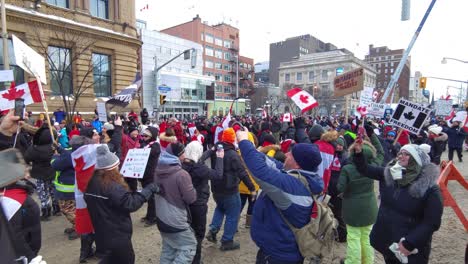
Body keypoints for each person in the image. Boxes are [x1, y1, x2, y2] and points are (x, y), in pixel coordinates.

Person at [236, 128, 324, 264]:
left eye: (291, 154)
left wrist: (243, 142)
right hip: (278, 250)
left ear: (298, 163)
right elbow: (267, 162)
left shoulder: (294, 187)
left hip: (279, 256)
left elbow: (260, 172)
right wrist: (251, 146)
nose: (286, 154)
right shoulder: (301, 176)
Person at [353, 143, 443, 263]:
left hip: (409, 247)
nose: (401, 156)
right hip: (388, 241)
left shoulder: (429, 188)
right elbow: (364, 169)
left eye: (407, 154)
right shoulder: (391, 173)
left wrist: (410, 242)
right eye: (400, 153)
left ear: (417, 160)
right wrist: (359, 153)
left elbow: (432, 222)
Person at [85, 144, 159, 264]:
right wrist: (148, 190)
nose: (119, 168)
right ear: (111, 169)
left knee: (111, 258)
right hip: (117, 233)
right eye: (117, 166)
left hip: (101, 231)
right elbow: (130, 204)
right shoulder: (112, 186)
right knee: (127, 259)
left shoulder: (91, 182)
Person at [206, 128, 256, 251]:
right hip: (230, 189)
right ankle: (227, 240)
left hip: (217, 188)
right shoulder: (233, 154)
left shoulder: (216, 150)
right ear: (232, 139)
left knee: (220, 207)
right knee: (233, 214)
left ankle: (213, 230)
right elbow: (242, 173)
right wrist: (252, 188)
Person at [337, 139, 380, 264]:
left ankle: (352, 262)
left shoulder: (347, 168)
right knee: (367, 237)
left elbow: (340, 188)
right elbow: (381, 152)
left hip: (352, 208)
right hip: (369, 207)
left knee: (354, 237)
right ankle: (368, 261)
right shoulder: (373, 167)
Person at [154, 143, 197, 263]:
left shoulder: (157, 170)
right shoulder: (181, 174)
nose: (185, 156)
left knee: (169, 248)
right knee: (189, 246)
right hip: (175, 220)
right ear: (178, 155)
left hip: (161, 217)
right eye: (183, 153)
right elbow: (190, 198)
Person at [182, 141, 224, 264]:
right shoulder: (199, 169)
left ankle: (187, 256)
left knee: (187, 231)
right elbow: (218, 174)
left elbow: (199, 158)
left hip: (185, 203)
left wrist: (211, 150)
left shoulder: (183, 163)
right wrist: (220, 158)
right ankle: (195, 260)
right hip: (198, 204)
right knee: (198, 233)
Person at [0, 148, 41, 262]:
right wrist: (30, 258)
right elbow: (15, 236)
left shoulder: (16, 195)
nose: (27, 172)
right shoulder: (11, 201)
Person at [24, 124, 59, 220]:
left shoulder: (34, 148)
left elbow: (26, 158)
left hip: (39, 174)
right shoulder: (54, 147)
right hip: (52, 173)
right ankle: (56, 208)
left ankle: (46, 211)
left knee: (43, 193)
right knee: (53, 191)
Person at [51, 143, 79, 240]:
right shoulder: (74, 153)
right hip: (71, 188)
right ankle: (76, 226)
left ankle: (78, 227)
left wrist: (54, 155)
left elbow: (54, 164)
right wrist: (60, 149)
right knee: (73, 209)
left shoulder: (68, 156)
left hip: (67, 190)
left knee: (67, 209)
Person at [139, 127, 161, 227]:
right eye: (143, 135)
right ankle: (149, 215)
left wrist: (142, 147)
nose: (144, 137)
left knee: (151, 197)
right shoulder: (146, 144)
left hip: (151, 174)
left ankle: (153, 218)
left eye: (147, 135)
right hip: (144, 174)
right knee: (147, 196)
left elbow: (151, 153)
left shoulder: (155, 145)